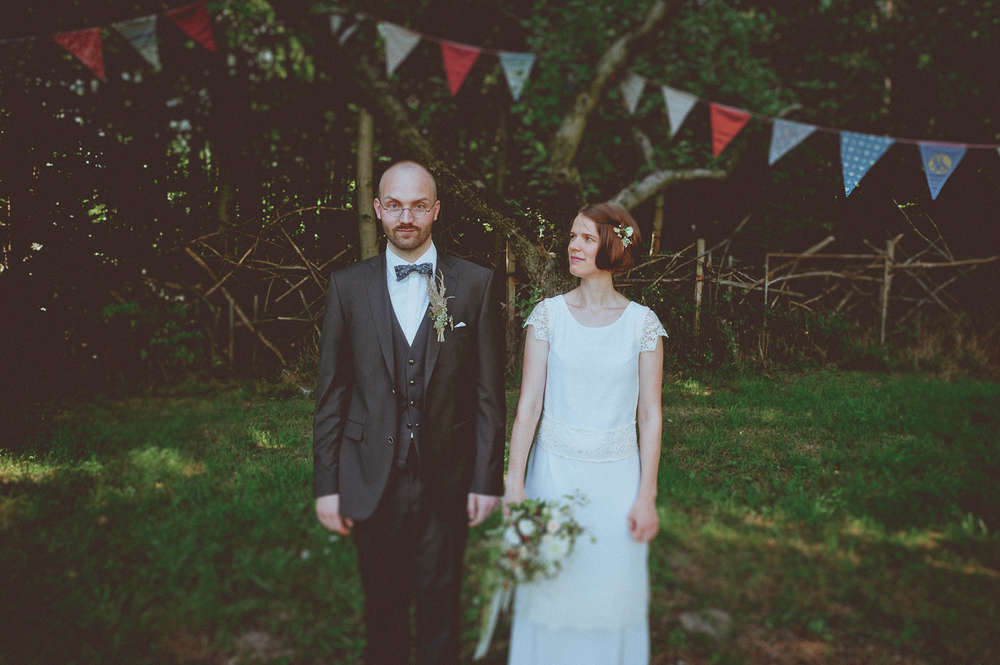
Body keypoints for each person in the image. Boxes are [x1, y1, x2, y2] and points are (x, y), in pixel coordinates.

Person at [313, 160, 506, 665]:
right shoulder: (347, 286)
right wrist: (327, 485)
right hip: (370, 476)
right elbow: (332, 394)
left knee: (443, 609)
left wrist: (487, 480)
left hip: (448, 475)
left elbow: (489, 393)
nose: (406, 217)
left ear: (436, 210)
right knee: (383, 611)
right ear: (378, 209)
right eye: (395, 206)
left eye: (418, 206)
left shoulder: (476, 283)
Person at [503, 202, 666, 664]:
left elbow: (650, 415)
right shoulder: (547, 316)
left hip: (617, 484)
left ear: (612, 247)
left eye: (587, 238)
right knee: (550, 588)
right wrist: (514, 484)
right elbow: (529, 406)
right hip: (553, 477)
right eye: (573, 236)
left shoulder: (643, 324)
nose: (573, 245)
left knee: (610, 589)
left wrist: (647, 496)